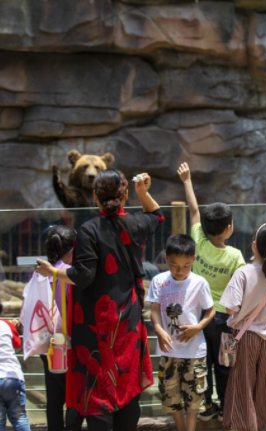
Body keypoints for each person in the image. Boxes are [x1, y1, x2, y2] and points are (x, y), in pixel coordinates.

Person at [36, 169, 164, 431]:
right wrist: (143, 193)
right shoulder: (137, 223)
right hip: (126, 322)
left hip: (93, 327)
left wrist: (54, 272)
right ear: (125, 196)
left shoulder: (88, 230)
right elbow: (157, 216)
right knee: (126, 384)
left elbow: (83, 276)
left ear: (95, 197)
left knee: (96, 390)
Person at [177, 162, 245, 421]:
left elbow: (193, 210)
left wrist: (187, 181)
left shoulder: (199, 241)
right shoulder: (235, 256)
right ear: (229, 228)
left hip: (198, 316)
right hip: (225, 321)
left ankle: (205, 407)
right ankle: (228, 407)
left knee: (201, 363)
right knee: (225, 365)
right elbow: (241, 290)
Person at [220, 222, 266, 431]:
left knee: (243, 385)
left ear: (254, 245)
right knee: (264, 384)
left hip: (244, 336)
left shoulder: (243, 273)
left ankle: (244, 426)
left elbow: (231, 308)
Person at [147, 234, 216, 431]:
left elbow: (210, 310)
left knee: (194, 397)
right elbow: (154, 311)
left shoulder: (200, 282)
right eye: (175, 265)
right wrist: (159, 330)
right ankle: (180, 427)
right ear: (166, 258)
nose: (180, 271)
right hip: (169, 351)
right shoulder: (159, 281)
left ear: (194, 260)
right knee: (171, 396)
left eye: (186, 265)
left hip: (194, 351)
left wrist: (198, 327)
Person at [21, 226, 83, 431]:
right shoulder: (68, 274)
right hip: (69, 344)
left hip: (47, 343)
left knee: (54, 400)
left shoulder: (40, 273)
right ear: (73, 249)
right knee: (75, 398)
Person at [0, 300, 31, 431]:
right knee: (19, 418)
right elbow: (17, 344)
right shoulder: (6, 324)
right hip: (12, 376)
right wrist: (13, 327)